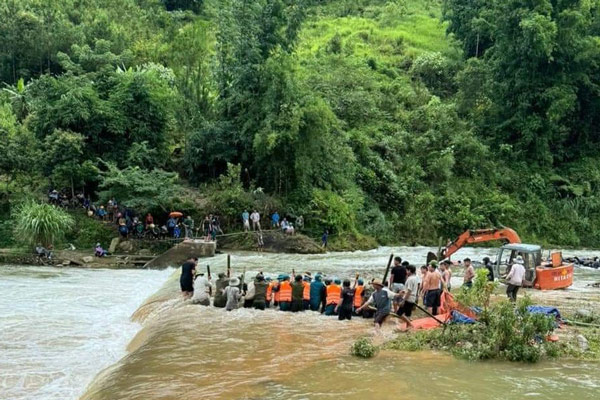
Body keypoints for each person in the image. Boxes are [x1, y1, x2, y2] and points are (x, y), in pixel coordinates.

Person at [396, 265, 418, 331]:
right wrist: (403, 291)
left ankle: (410, 324)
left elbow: (409, 290)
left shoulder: (410, 279)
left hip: (409, 297)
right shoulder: (415, 278)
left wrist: (403, 300)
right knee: (408, 314)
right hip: (413, 297)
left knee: (399, 313)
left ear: (409, 271)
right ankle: (408, 327)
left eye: (407, 270)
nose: (406, 272)